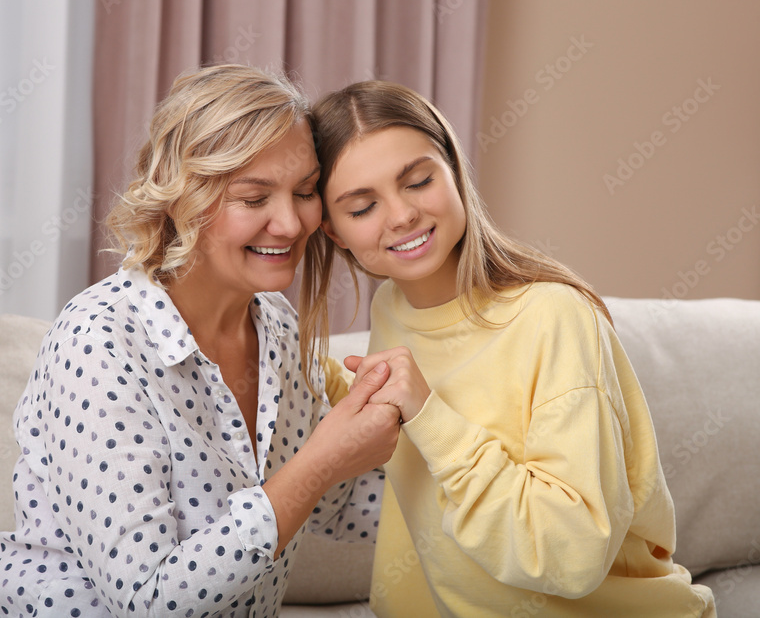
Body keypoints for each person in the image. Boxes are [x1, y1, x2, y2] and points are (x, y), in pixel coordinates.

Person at [0, 65, 403, 618]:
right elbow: (146, 602)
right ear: (182, 198)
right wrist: (324, 458)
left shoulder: (276, 327)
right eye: (253, 199)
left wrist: (481, 485)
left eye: (304, 192)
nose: (290, 224)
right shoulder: (99, 342)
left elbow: (336, 506)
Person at [300, 80, 717, 617]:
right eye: (362, 207)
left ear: (454, 171)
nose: (401, 215)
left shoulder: (552, 318)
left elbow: (571, 555)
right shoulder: (392, 311)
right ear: (334, 233)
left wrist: (430, 416)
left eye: (420, 180)